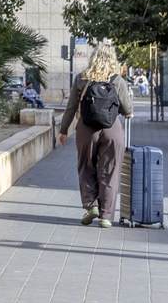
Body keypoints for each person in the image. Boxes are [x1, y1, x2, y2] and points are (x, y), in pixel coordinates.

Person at [57, 45, 133, 228]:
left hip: (86, 129)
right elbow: (127, 109)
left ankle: (91, 206)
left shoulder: (81, 79)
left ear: (93, 58)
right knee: (110, 171)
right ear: (113, 59)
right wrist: (127, 111)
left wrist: (63, 130)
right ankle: (106, 216)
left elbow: (71, 107)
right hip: (112, 129)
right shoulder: (117, 80)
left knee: (86, 166)